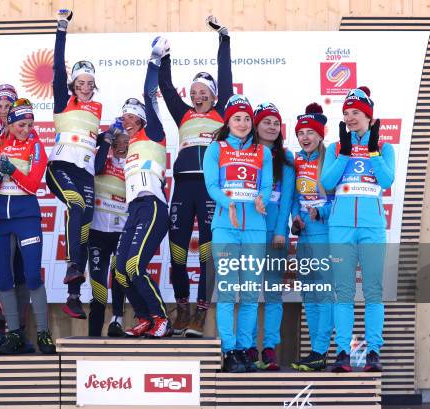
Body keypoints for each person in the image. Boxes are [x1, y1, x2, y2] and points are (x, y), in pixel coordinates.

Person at [158, 16, 232, 337]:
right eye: (195, 91)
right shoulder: (183, 113)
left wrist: (224, 40)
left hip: (209, 188)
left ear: (215, 96)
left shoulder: (223, 112)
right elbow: (165, 87)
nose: (198, 95)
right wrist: (165, 56)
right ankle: (183, 307)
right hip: (183, 188)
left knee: (206, 251)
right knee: (177, 249)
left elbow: (226, 78)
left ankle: (201, 311)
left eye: (204, 91)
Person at [321, 86, 395, 372]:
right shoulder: (336, 147)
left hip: (372, 227)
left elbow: (386, 180)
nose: (350, 118)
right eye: (346, 113)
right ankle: (342, 352)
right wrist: (344, 154)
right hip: (340, 227)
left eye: (356, 113)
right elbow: (327, 183)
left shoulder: (385, 146)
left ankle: (374, 351)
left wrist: (374, 152)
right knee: (343, 291)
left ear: (368, 116)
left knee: (374, 291)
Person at [0, 98, 56, 354]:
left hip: (26, 217)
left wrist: (10, 169)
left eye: (31, 124)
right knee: (3, 279)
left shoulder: (35, 145)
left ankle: (44, 333)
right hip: (0, 219)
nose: (27, 129)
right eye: (22, 124)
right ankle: (13, 333)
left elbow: (33, 185)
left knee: (32, 275)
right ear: (10, 124)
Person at [203, 94, 272, 372]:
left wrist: (261, 200)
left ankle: (244, 349)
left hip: (255, 228)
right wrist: (228, 203)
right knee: (230, 291)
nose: (242, 123)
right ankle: (229, 351)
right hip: (225, 227)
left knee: (251, 293)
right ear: (228, 121)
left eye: (246, 118)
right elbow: (211, 184)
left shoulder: (262, 152)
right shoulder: (216, 149)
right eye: (237, 118)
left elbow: (266, 186)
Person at [46, 9, 103, 319]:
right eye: (80, 82)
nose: (85, 86)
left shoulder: (97, 108)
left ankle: (72, 296)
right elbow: (57, 68)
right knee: (76, 205)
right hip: (60, 168)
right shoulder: (61, 100)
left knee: (84, 222)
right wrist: (62, 29)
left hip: (86, 172)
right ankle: (71, 265)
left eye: (89, 82)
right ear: (72, 83)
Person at [113, 36, 171, 338]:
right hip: (135, 208)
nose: (127, 118)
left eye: (132, 113)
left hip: (153, 206)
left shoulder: (155, 134)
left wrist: (154, 62)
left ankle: (162, 318)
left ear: (143, 118)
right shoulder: (127, 145)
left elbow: (149, 95)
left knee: (134, 265)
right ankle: (146, 317)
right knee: (120, 269)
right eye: (124, 114)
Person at [0, 84, 32, 354]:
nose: (2, 111)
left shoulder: (22, 135)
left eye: (7, 107)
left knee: (21, 273)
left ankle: (20, 331)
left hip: (20, 213)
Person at [248, 102, 295, 370]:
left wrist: (280, 231)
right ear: (256, 125)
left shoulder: (286, 159)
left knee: (274, 294)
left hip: (275, 234)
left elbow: (286, 198)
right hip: (251, 233)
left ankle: (269, 349)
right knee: (251, 293)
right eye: (266, 121)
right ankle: (250, 347)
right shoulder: (246, 154)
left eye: (276, 123)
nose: (272, 127)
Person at [289, 103, 335, 371]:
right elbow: (294, 198)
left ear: (320, 135)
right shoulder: (296, 160)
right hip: (304, 236)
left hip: (325, 235)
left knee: (323, 293)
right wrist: (295, 216)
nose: (305, 137)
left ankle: (320, 350)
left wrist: (322, 211)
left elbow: (339, 197)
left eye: (310, 132)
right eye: (301, 133)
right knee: (308, 293)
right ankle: (316, 352)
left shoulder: (330, 159)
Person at [87, 121, 128, 337]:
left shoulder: (134, 164)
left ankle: (117, 321)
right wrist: (106, 138)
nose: (121, 145)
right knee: (99, 286)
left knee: (119, 275)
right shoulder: (102, 159)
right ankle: (93, 335)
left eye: (126, 141)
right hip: (96, 231)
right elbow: (96, 168)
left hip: (121, 231)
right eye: (117, 141)